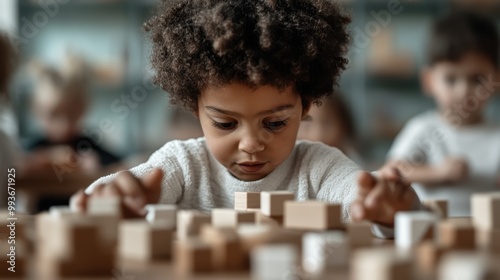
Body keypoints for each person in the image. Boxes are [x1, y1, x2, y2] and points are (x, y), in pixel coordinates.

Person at [70, 0, 421, 235]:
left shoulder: (320, 167)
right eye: (225, 123)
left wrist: (392, 207)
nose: (251, 144)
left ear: (307, 106)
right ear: (194, 108)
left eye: (275, 123)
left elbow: (364, 201)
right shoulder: (182, 164)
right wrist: (109, 197)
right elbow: (120, 189)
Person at [385, 12, 500, 216]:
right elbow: (393, 170)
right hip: (428, 231)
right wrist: (438, 172)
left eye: (477, 79)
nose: (463, 91)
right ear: (429, 81)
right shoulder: (423, 128)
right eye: (451, 79)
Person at [26, 57, 121, 173]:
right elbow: (15, 168)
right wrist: (47, 158)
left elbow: (117, 163)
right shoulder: (35, 147)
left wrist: (96, 163)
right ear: (37, 111)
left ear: (82, 111)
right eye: (53, 115)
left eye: (71, 115)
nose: (63, 125)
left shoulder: (87, 145)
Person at [297, 93, 364, 166]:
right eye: (307, 126)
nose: (318, 135)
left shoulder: (353, 165)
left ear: (344, 125)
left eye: (327, 124)